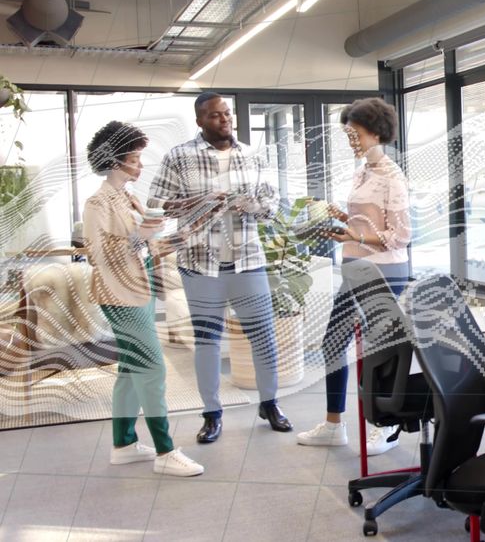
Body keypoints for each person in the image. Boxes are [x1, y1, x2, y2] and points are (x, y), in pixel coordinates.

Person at [148, 92, 292, 444]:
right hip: (200, 265)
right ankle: (212, 414)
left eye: (227, 113)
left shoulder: (251, 155)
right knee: (208, 341)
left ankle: (269, 404)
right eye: (215, 115)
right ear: (200, 121)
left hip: (248, 263)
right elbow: (157, 204)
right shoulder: (179, 157)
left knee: (264, 338)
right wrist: (201, 202)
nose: (225, 119)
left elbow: (273, 203)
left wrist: (251, 205)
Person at [84, 120, 204, 477]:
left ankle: (123, 444)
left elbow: (147, 249)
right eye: (134, 158)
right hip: (120, 295)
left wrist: (185, 235)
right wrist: (138, 235)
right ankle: (166, 451)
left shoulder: (128, 197)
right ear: (115, 161)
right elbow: (96, 254)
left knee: (130, 370)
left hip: (140, 289)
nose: (139, 165)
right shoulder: (97, 202)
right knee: (151, 368)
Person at [297, 97, 411, 451]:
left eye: (356, 134)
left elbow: (401, 235)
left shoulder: (393, 176)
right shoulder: (362, 170)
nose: (351, 141)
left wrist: (357, 235)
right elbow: (369, 221)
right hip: (354, 266)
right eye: (348, 134)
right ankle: (334, 425)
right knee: (334, 341)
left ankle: (388, 428)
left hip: (384, 270)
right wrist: (344, 219)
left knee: (382, 351)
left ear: (376, 133)